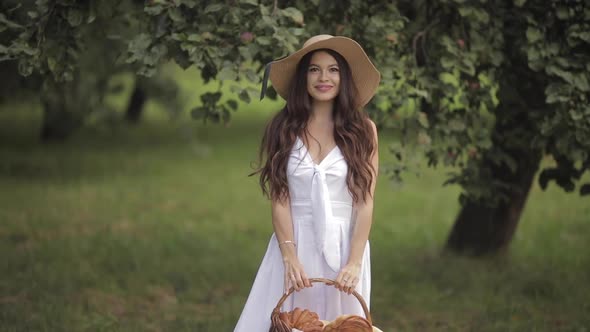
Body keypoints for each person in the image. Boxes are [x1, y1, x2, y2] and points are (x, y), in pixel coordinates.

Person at [234, 34, 380, 331]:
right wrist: (289, 256)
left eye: (333, 69)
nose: (323, 77)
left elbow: (365, 200)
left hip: (344, 244)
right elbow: (279, 198)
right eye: (314, 69)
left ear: (345, 77)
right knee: (288, 322)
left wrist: (353, 261)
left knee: (342, 325)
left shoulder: (364, 130)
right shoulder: (283, 127)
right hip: (294, 241)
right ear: (303, 77)